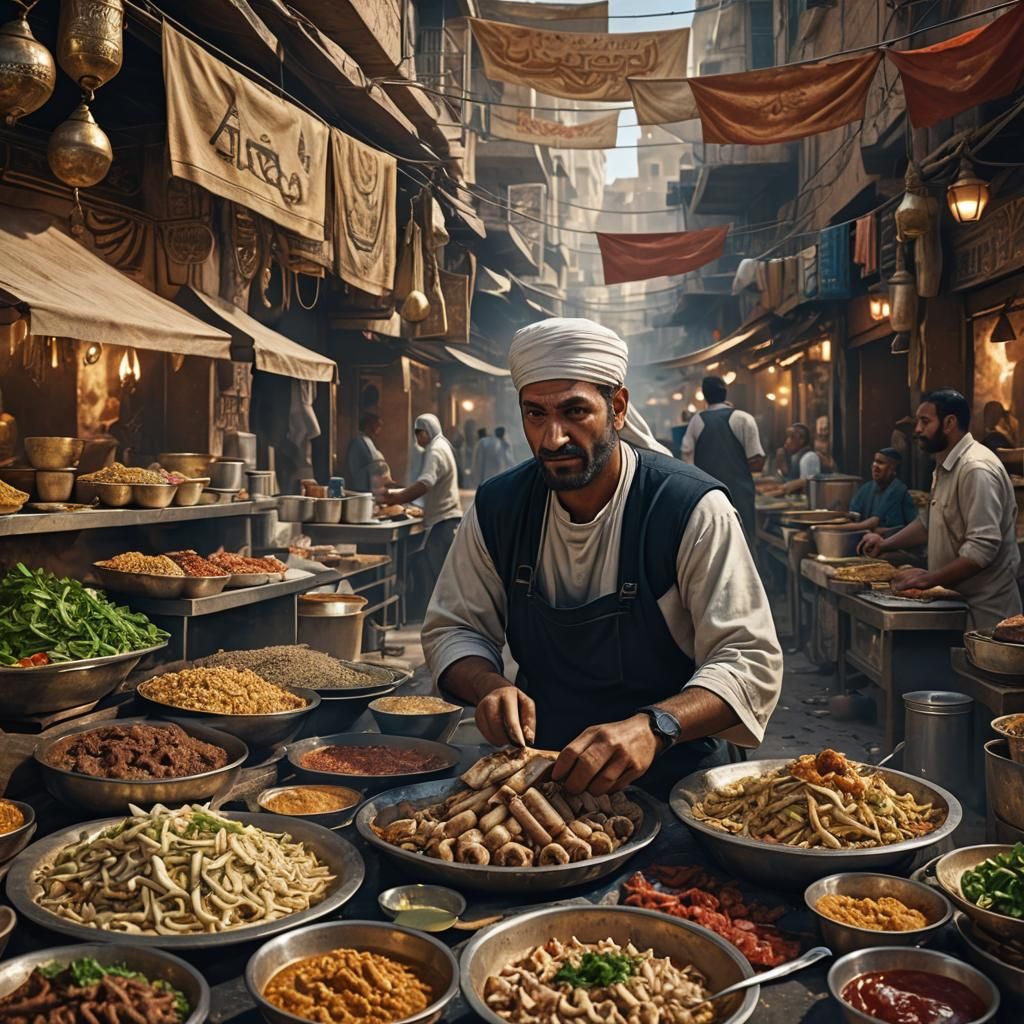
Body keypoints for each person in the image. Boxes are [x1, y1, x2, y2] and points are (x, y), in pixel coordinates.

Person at [422, 317, 782, 798]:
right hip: (540, 784)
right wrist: (487, 685)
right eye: (535, 415)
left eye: (575, 412)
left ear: (617, 408)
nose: (553, 438)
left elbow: (749, 659)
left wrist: (655, 726)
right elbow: (453, 628)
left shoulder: (687, 508)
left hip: (678, 784)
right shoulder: (499, 507)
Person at [860, 389, 1021, 630]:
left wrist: (927, 578)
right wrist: (885, 543)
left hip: (987, 613)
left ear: (949, 423)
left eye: (925, 422)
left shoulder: (975, 469)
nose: (917, 430)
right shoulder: (945, 465)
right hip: (955, 604)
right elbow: (928, 523)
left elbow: (981, 550)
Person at [376, 414, 463, 581]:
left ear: (425, 432)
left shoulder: (435, 450)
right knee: (439, 577)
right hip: (447, 522)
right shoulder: (441, 445)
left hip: (443, 524)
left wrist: (395, 499)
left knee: (437, 579)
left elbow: (425, 483)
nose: (417, 438)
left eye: (418, 433)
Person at [681, 375, 764, 540]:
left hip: (708, 496)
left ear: (704, 395)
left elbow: (687, 463)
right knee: (745, 541)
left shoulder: (696, 421)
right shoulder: (744, 418)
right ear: (726, 392)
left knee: (714, 543)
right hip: (741, 496)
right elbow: (758, 463)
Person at [844, 448, 917, 533]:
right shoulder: (866, 488)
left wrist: (835, 528)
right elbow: (853, 516)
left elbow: (872, 523)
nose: (875, 466)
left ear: (892, 469)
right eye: (874, 461)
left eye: (880, 463)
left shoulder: (898, 488)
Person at [767, 423, 821, 496]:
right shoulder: (794, 456)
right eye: (788, 437)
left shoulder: (809, 457)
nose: (787, 441)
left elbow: (807, 484)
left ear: (802, 440)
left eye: (792, 437)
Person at [345, 412, 385, 493]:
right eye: (377, 424)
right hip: (363, 489)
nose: (379, 427)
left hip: (372, 487)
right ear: (368, 425)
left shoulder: (367, 441)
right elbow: (372, 464)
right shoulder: (359, 442)